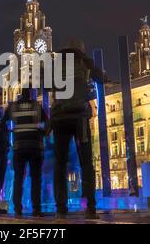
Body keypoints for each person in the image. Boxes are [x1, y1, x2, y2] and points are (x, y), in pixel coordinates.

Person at [51, 38, 104, 220]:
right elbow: (101, 78)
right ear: (79, 50)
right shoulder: (84, 63)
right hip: (79, 117)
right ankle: (90, 207)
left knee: (60, 163)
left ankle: (60, 209)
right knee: (86, 162)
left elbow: (45, 84)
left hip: (59, 118)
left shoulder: (56, 64)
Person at [1, 88, 50, 217]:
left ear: (20, 94)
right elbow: (48, 123)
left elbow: (2, 123)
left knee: (18, 178)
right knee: (36, 179)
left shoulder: (13, 107)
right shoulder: (37, 106)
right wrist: (43, 134)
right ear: (30, 94)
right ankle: (36, 209)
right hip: (35, 146)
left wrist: (9, 134)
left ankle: (17, 209)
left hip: (19, 147)